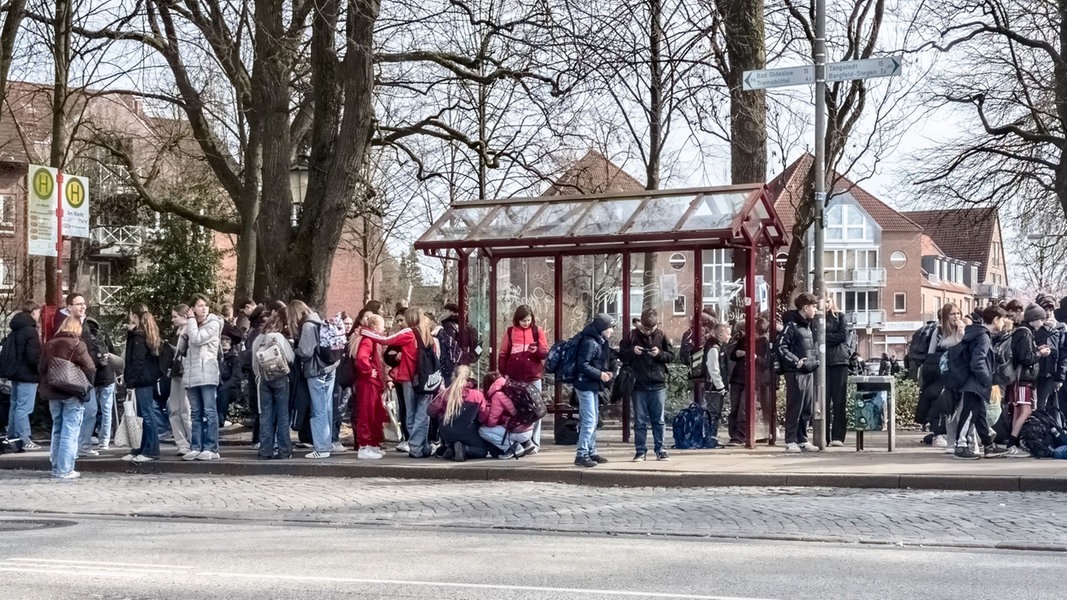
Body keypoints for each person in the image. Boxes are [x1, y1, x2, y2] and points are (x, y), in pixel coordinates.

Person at [361, 308, 439, 458]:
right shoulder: (428, 333)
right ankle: (423, 446)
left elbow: (386, 341)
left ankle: (415, 447)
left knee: (410, 415)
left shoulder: (409, 332)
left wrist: (365, 332)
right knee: (423, 415)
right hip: (427, 380)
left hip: (409, 378)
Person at [949, 305, 1011, 460]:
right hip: (976, 381)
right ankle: (961, 446)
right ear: (996, 319)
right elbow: (977, 362)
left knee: (980, 414)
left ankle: (988, 445)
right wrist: (986, 379)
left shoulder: (976, 333)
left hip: (972, 380)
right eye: (1002, 320)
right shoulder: (983, 337)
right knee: (969, 413)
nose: (1003, 323)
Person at [39, 316, 95, 480]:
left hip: (53, 392)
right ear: (77, 328)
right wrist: (85, 385)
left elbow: (41, 368)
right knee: (70, 431)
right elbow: (90, 368)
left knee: (57, 429)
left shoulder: (49, 344)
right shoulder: (78, 344)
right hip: (72, 392)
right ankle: (65, 469)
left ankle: (56, 467)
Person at [619, 308, 674, 461]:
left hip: (658, 383)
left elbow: (671, 356)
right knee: (640, 421)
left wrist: (659, 354)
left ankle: (660, 449)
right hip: (638, 383)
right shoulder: (631, 335)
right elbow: (621, 355)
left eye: (652, 329)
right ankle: (640, 450)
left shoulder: (662, 335)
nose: (649, 332)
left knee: (659, 420)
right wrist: (632, 351)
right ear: (641, 323)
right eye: (646, 328)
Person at [287, 300, 340, 459]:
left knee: (318, 409)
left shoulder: (308, 326)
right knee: (328, 407)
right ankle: (329, 442)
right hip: (330, 367)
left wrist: (293, 348)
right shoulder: (319, 321)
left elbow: (305, 352)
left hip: (316, 370)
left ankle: (322, 448)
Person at [497, 304, 548, 452]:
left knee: (536, 408)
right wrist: (503, 372)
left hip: (533, 375)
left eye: (528, 319)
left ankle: (534, 443)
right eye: (523, 320)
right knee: (517, 409)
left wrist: (536, 350)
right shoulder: (510, 332)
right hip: (515, 376)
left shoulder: (537, 331)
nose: (526, 323)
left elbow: (545, 353)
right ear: (517, 320)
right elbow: (503, 353)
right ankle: (523, 441)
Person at [179, 294, 224, 461]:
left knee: (209, 411)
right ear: (192, 309)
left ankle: (211, 447)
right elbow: (182, 349)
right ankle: (196, 446)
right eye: (199, 305)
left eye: (205, 305)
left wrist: (190, 322)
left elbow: (197, 339)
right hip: (191, 374)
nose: (203, 308)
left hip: (207, 373)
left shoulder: (213, 323)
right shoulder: (191, 325)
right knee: (195, 413)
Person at [1004, 303, 1049, 457]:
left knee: (1018, 410)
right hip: (1023, 378)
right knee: (1027, 410)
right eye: (1040, 319)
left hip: (1017, 378)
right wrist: (1040, 353)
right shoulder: (1026, 333)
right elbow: (1026, 358)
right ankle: (1012, 442)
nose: (1042, 323)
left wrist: (1036, 349)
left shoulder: (1020, 331)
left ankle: (1013, 442)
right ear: (1034, 319)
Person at [778, 293, 821, 454]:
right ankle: (790, 440)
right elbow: (781, 346)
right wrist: (796, 361)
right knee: (795, 406)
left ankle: (802, 438)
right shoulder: (792, 326)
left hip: (807, 370)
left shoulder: (807, 326)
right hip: (796, 372)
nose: (815, 310)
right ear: (805, 308)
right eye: (814, 307)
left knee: (806, 407)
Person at [121, 304, 163, 463]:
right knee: (142, 415)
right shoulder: (144, 334)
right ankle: (142, 447)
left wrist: (130, 381)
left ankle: (150, 449)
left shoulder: (138, 337)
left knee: (146, 414)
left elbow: (136, 362)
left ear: (134, 315)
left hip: (141, 380)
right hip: (145, 379)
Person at [250, 312, 295, 460]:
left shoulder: (258, 339)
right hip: (280, 377)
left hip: (263, 379)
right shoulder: (279, 338)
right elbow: (290, 357)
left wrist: (258, 374)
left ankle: (265, 450)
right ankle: (284, 450)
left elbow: (254, 362)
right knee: (282, 414)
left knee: (266, 414)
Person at [573, 313, 615, 468]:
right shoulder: (590, 342)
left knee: (592, 419)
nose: (611, 330)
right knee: (590, 420)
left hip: (591, 384)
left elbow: (595, 362)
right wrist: (600, 374)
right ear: (602, 328)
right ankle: (582, 453)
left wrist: (605, 372)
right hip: (585, 385)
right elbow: (582, 365)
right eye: (609, 327)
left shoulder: (598, 340)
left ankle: (591, 451)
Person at [429, 364, 489, 461]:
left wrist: (441, 417)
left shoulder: (445, 393)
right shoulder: (477, 395)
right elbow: (483, 417)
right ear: (471, 378)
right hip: (467, 432)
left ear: (454, 376)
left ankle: (451, 448)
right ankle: (464, 449)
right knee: (482, 450)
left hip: (446, 432)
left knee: (453, 436)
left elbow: (431, 411)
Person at [351, 313, 390, 460]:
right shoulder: (369, 340)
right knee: (367, 413)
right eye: (382, 325)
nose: (384, 328)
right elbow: (362, 358)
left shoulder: (369, 339)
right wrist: (368, 371)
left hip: (371, 382)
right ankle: (365, 446)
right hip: (369, 383)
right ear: (375, 327)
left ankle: (372, 444)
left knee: (373, 413)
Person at [5, 301, 42, 450]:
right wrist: (41, 368)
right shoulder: (30, 330)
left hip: (15, 373)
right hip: (28, 374)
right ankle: (24, 439)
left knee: (15, 406)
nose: (39, 316)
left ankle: (13, 437)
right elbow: (34, 356)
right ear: (33, 312)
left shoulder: (16, 329)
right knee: (24, 408)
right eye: (38, 312)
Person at [80, 317, 117, 455]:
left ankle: (86, 440)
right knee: (107, 411)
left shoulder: (83, 338)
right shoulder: (103, 335)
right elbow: (113, 354)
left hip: (91, 379)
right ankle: (104, 442)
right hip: (107, 377)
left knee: (90, 412)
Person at [160, 304, 192, 456]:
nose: (173, 319)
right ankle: (182, 443)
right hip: (176, 373)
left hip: (185, 373)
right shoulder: (177, 333)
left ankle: (192, 442)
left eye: (175, 316)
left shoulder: (190, 332)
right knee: (174, 409)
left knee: (186, 410)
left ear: (185, 316)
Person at [479, 371, 535, 459]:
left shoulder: (497, 394)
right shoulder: (509, 387)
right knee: (506, 422)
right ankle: (527, 443)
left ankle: (512, 448)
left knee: (483, 430)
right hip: (529, 428)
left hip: (520, 432)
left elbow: (492, 421)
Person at [824, 297, 855, 447]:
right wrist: (832, 338)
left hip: (839, 362)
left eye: (827, 300)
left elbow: (842, 336)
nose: (824, 304)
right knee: (823, 401)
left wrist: (823, 337)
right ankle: (823, 436)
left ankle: (838, 436)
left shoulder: (840, 316)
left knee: (839, 401)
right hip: (823, 363)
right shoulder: (816, 318)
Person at [1033, 294, 1064, 412]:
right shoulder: (1034, 327)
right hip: (1034, 372)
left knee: (1045, 405)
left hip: (1050, 373)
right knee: (1034, 406)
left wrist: (1060, 377)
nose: (1048, 312)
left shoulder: (1060, 328)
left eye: (1051, 309)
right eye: (1045, 309)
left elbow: (1063, 355)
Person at [702, 323, 731, 445]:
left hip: (716, 387)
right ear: (720, 334)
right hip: (713, 387)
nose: (729, 336)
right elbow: (713, 369)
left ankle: (712, 436)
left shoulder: (718, 347)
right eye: (727, 333)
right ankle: (710, 437)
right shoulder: (714, 348)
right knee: (713, 412)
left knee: (715, 412)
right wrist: (720, 386)